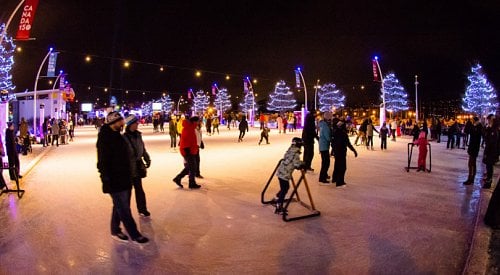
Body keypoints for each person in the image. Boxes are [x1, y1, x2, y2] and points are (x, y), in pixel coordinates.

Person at [96, 111, 149, 243]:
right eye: (120, 121)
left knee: (119, 205)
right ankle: (135, 235)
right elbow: (102, 162)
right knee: (124, 208)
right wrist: (106, 178)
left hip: (125, 177)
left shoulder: (118, 136)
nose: (123, 123)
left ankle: (115, 230)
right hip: (114, 179)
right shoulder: (105, 139)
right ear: (113, 123)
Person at [123, 115, 152, 217]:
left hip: (138, 167)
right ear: (130, 124)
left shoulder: (138, 135)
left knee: (139, 190)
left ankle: (142, 209)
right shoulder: (124, 138)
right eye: (136, 123)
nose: (138, 124)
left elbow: (142, 148)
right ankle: (125, 213)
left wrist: (146, 158)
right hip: (128, 169)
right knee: (127, 192)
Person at [274, 137, 306, 214]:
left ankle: (278, 197)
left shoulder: (290, 150)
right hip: (285, 174)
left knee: (284, 188)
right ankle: (278, 205)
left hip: (281, 172)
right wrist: (303, 164)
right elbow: (296, 164)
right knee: (285, 189)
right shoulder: (296, 154)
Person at [173, 116, 202, 189]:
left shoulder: (192, 128)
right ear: (194, 121)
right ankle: (191, 183)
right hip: (187, 150)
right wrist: (187, 150)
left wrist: (200, 144)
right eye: (198, 121)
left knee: (190, 166)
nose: (199, 122)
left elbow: (194, 139)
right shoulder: (188, 128)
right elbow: (185, 140)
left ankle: (178, 178)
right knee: (192, 167)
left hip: (191, 149)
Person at [331, 120, 357, 187]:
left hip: (337, 152)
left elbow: (332, 143)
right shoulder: (343, 134)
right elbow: (348, 143)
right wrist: (354, 150)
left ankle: (335, 179)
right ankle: (339, 182)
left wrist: (333, 150)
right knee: (342, 167)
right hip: (341, 152)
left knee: (337, 166)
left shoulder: (335, 132)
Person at [463, 116, 482, 185]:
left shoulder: (479, 127)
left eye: (473, 120)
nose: (472, 121)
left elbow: (475, 136)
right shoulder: (475, 127)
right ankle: (471, 178)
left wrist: (473, 128)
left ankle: (471, 178)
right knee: (472, 163)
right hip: (472, 148)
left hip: (474, 148)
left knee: (471, 164)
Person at [481, 114, 499, 189]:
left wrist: (487, 152)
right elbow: (486, 137)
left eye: (489, 120)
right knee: (488, 166)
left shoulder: (494, 130)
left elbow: (492, 142)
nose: (488, 121)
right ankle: (488, 177)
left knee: (489, 166)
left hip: (491, 151)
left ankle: (489, 181)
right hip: (489, 150)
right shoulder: (490, 128)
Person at [318, 112, 332, 184]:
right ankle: (322, 178)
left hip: (322, 145)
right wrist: (332, 139)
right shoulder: (325, 126)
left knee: (325, 162)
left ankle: (324, 175)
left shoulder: (322, 124)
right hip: (324, 146)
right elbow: (327, 137)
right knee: (326, 162)